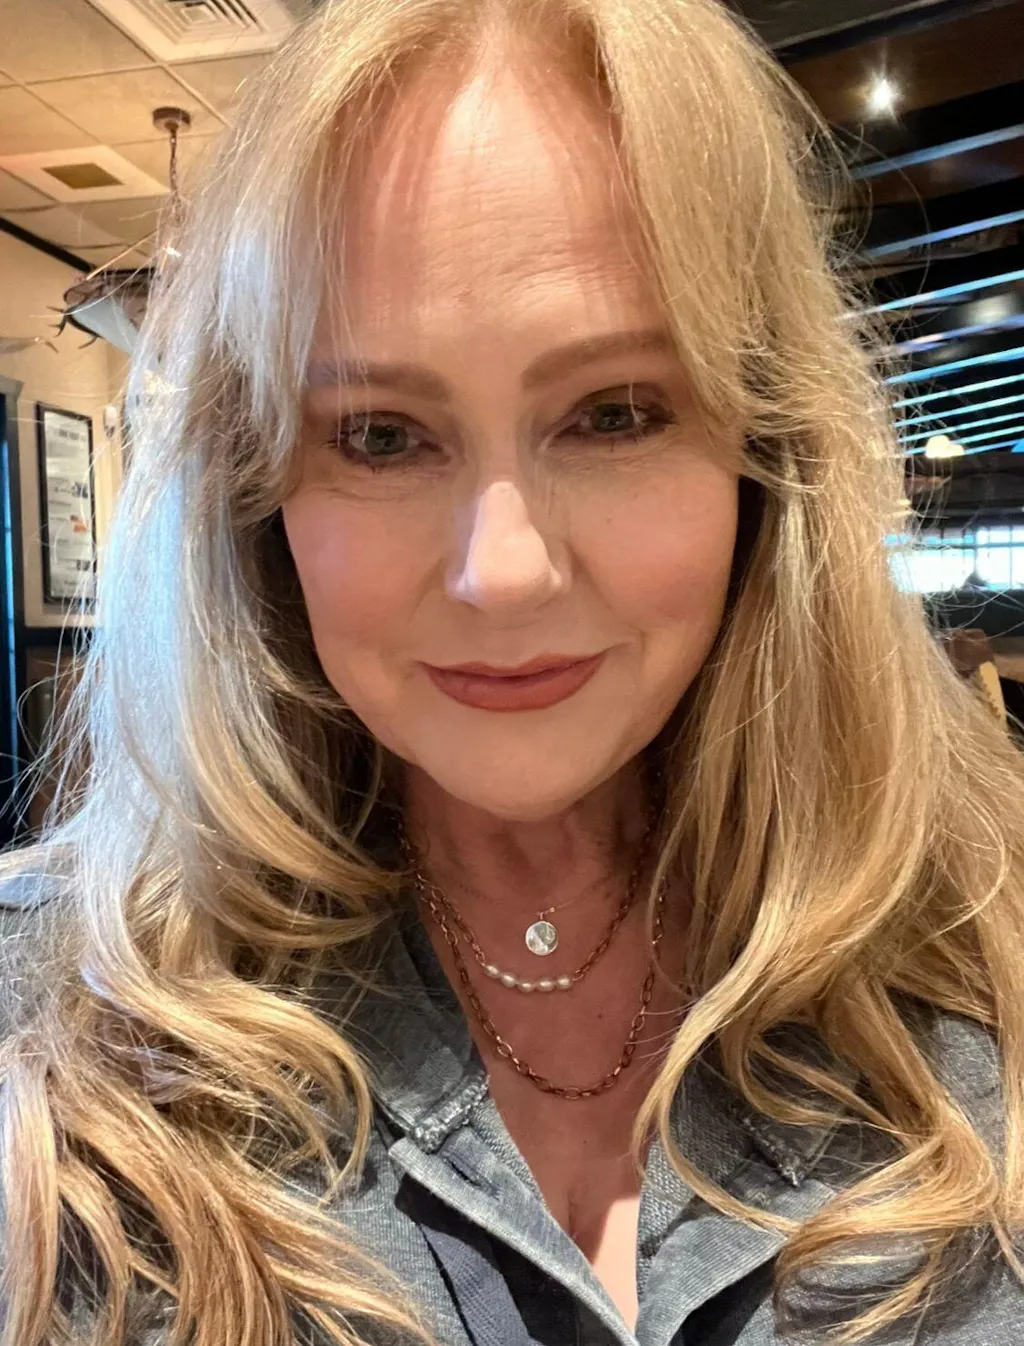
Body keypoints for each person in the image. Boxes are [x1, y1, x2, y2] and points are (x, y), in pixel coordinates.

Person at [1, 0, 1023, 1343]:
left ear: (765, 455)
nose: (502, 572)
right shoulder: (45, 1038)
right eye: (380, 434)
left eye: (613, 413)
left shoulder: (988, 954)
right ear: (252, 493)